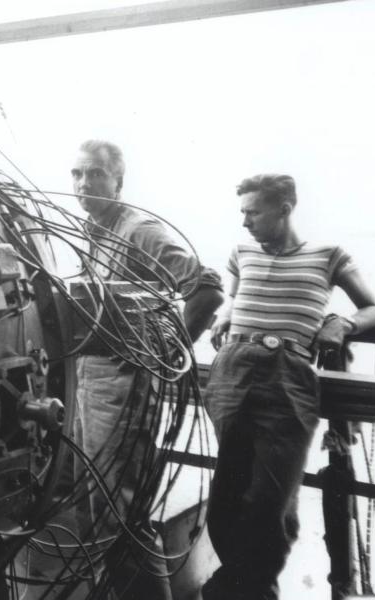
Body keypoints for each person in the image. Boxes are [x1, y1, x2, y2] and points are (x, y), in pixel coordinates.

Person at [201, 174, 375, 600]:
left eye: (253, 211)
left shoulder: (328, 255)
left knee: (270, 499)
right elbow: (236, 297)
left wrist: (341, 321)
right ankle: (239, 582)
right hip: (232, 369)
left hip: (288, 375)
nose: (245, 222)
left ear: (284, 208)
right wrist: (228, 313)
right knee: (227, 493)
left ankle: (249, 588)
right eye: (242, 212)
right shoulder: (241, 253)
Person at [71, 140, 224, 600]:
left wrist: (161, 354)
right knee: (100, 508)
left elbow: (207, 288)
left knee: (119, 515)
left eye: (96, 174)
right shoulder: (94, 230)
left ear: (119, 180)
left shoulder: (140, 230)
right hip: (93, 379)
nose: (83, 185)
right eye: (77, 174)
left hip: (125, 383)